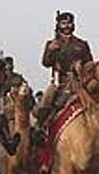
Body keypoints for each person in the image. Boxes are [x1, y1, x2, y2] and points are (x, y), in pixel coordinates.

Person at [32, 11, 93, 139]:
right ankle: (40, 128)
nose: (67, 26)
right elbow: (46, 63)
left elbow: (90, 64)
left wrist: (81, 67)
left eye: (69, 23)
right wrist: (50, 51)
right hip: (62, 83)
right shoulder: (52, 43)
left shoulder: (81, 45)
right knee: (47, 100)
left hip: (80, 83)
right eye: (64, 23)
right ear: (59, 25)